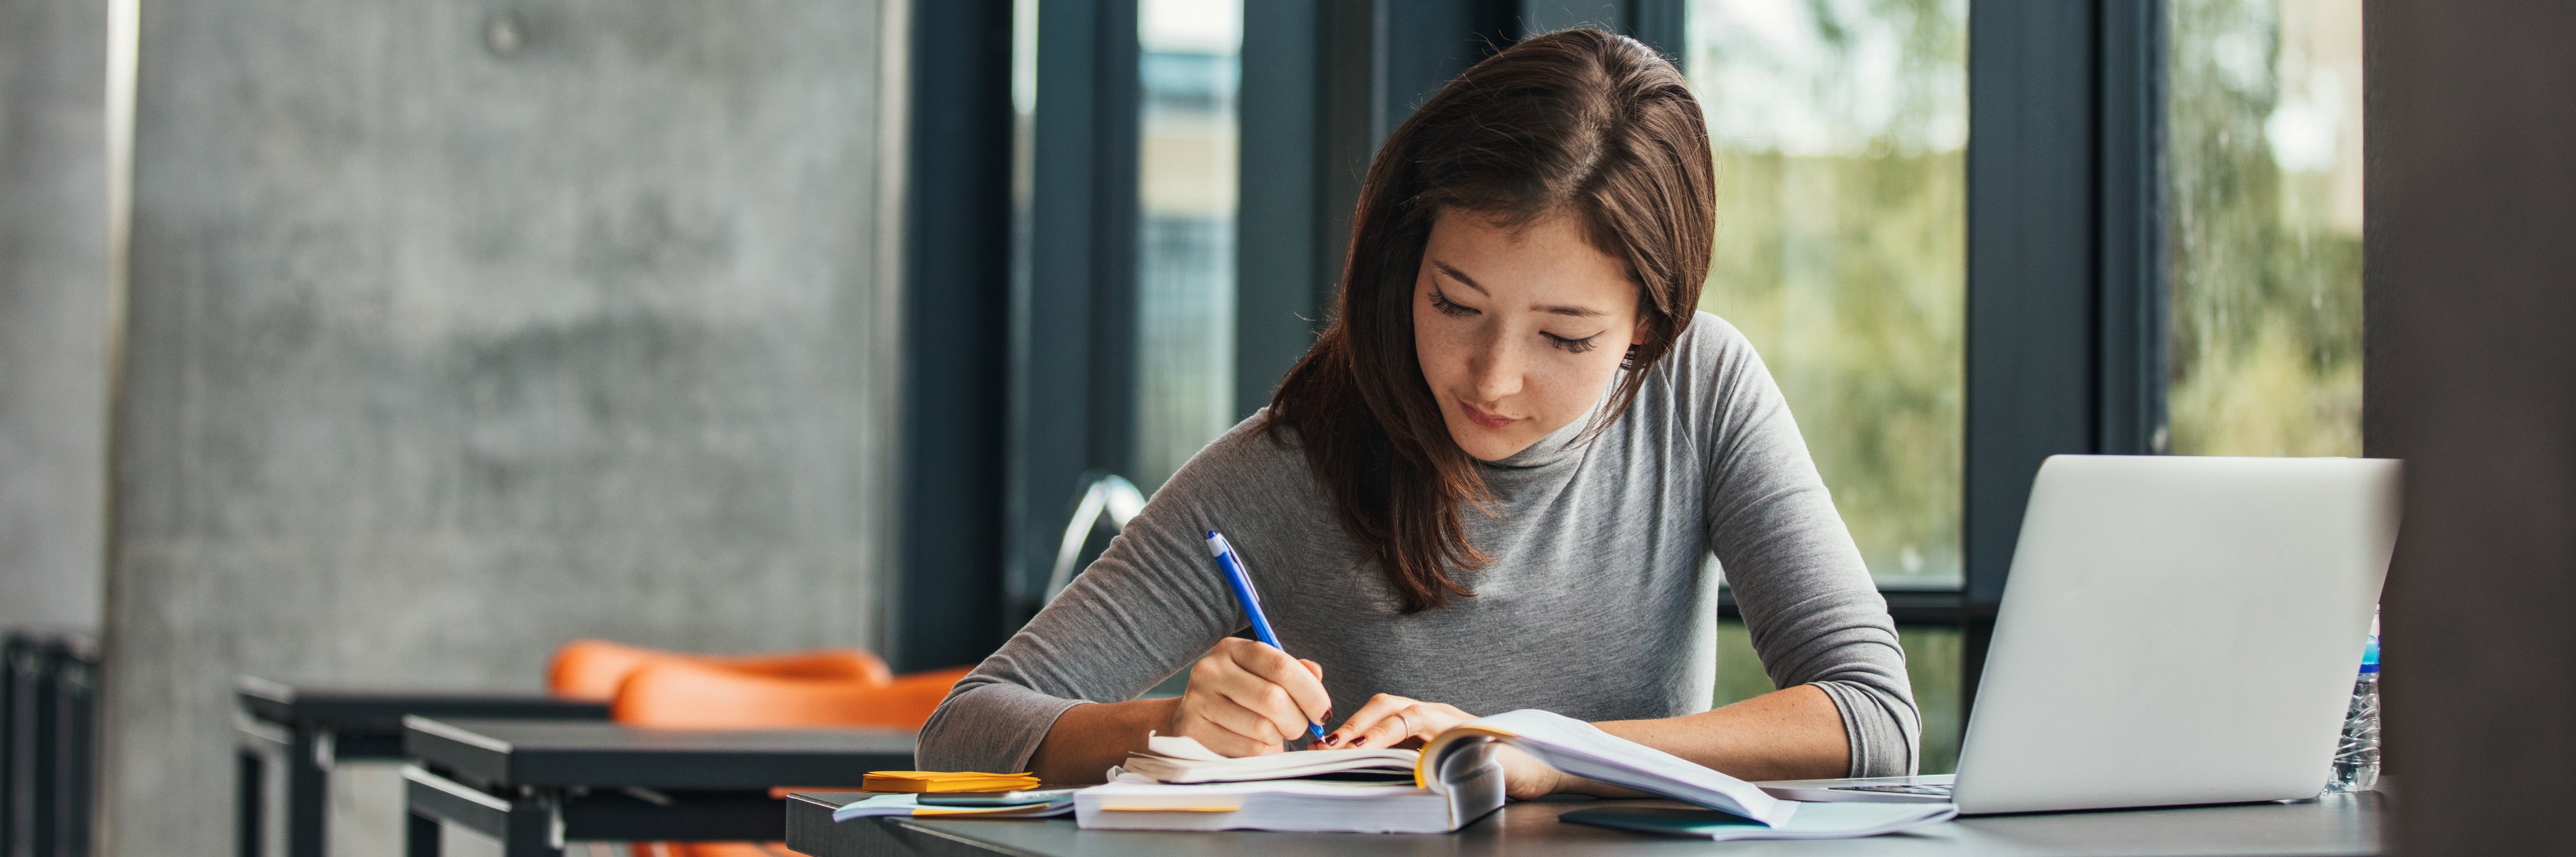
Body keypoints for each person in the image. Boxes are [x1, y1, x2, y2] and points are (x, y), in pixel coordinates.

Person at [919, 28, 1916, 796]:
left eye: (1563, 339)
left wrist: (1536, 748)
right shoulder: (1293, 463)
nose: (1491, 379)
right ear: (1405, 264)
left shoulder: (1700, 390)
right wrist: (1169, 724)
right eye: (1453, 304)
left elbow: (1870, 718)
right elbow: (963, 728)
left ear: (1649, 327)